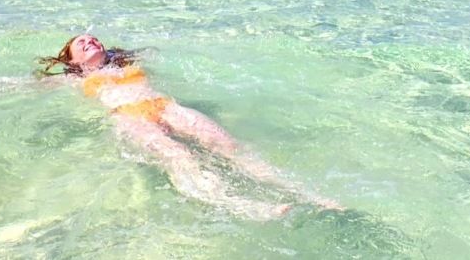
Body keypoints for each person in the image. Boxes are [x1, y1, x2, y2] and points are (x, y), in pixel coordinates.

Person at [34, 34, 338, 220]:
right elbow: (23, 86)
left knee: (230, 147)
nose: (90, 42)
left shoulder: (125, 64)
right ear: (73, 60)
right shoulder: (74, 78)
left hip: (166, 106)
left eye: (93, 39)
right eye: (81, 44)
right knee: (182, 159)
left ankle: (305, 194)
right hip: (130, 117)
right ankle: (242, 206)